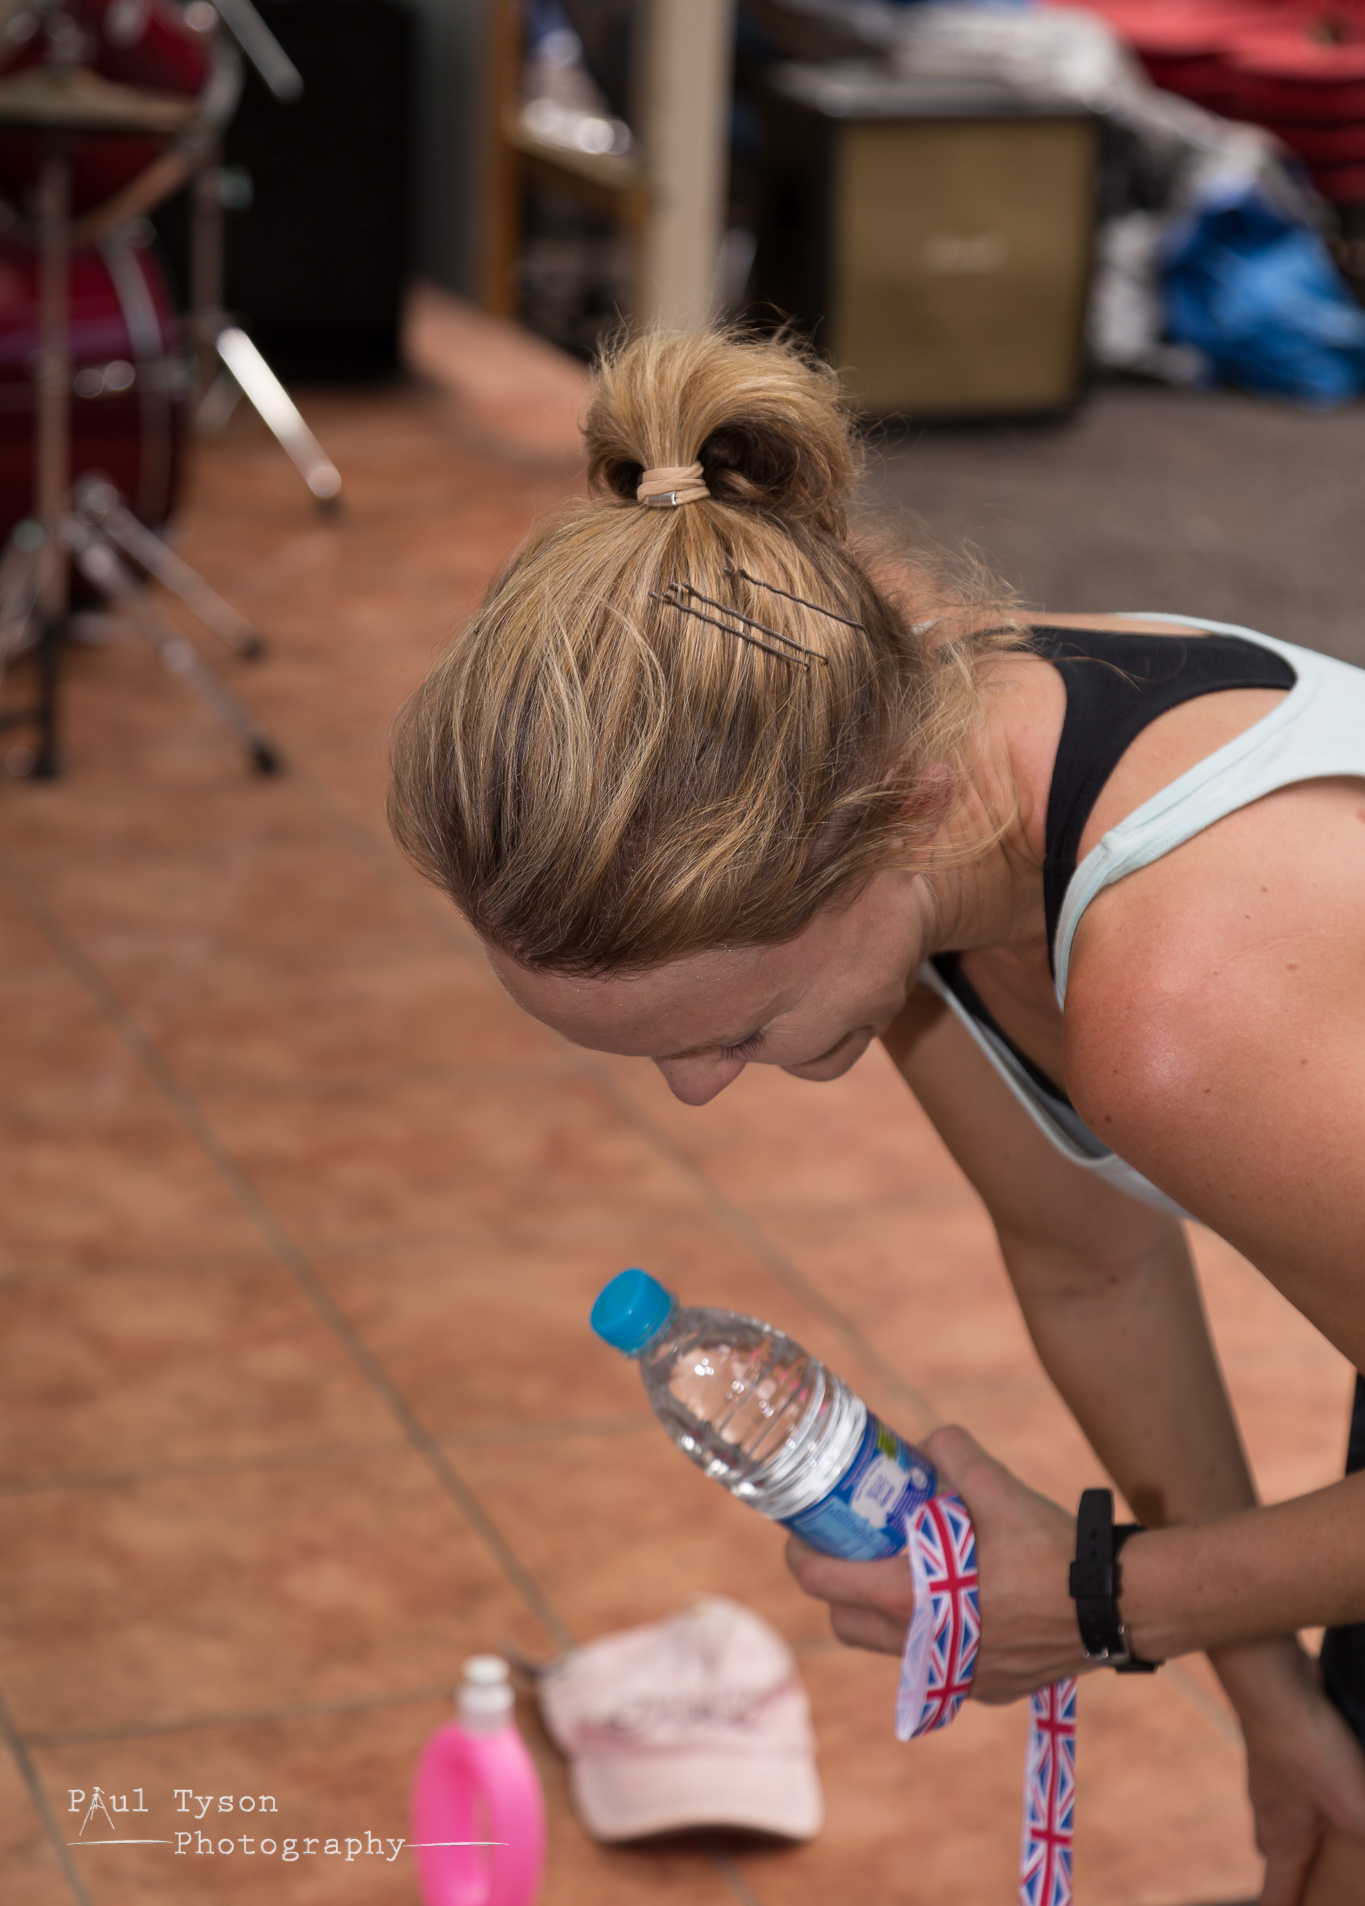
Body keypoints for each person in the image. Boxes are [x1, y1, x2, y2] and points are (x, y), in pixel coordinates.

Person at [388, 327, 1365, 1905]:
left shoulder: (1182, 1000)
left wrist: (1109, 1601)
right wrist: (1273, 1703)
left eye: (731, 1030)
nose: (699, 1090)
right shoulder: (910, 761)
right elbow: (1091, 1264)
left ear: (883, 823)